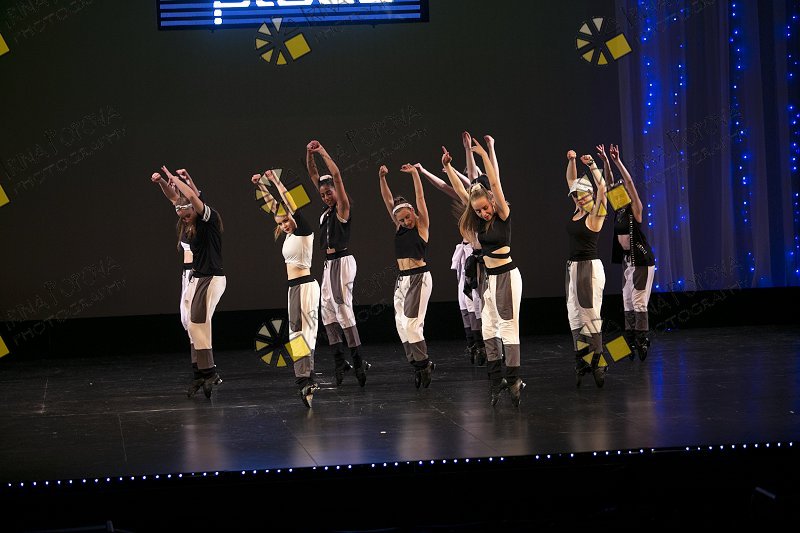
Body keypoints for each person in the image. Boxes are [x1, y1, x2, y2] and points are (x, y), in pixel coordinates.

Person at [443, 136, 525, 407]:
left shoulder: (502, 214)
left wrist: (486, 155)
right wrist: (448, 167)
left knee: (508, 326)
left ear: (492, 201)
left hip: (507, 276)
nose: (483, 213)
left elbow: (496, 182)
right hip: (489, 279)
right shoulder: (477, 218)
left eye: (485, 208)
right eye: (478, 211)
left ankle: (513, 378)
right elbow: (460, 191)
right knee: (489, 327)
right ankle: (495, 378)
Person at [252, 169, 321, 408]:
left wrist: (274, 181)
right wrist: (261, 187)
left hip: (304, 286)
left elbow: (289, 204)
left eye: (286, 221)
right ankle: (306, 378)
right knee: (297, 334)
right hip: (295, 288)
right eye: (280, 224)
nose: (284, 225)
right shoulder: (289, 234)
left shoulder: (303, 230)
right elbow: (276, 208)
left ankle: (305, 379)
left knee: (303, 333)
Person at [306, 140, 369, 387]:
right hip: (329, 264)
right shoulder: (326, 211)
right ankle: (339, 360)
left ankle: (359, 360)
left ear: (336, 190)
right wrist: (308, 153)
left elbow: (337, 176)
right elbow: (313, 174)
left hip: (342, 261)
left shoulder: (343, 207)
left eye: (328, 192)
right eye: (322, 194)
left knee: (343, 309)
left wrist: (322, 151)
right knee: (327, 311)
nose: (325, 196)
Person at [414, 160, 486, 366]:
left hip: (478, 254)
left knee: (476, 299)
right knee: (464, 299)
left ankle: (481, 342)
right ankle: (472, 342)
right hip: (466, 252)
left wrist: (452, 169)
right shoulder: (467, 199)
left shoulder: (481, 202)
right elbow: (445, 186)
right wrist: (424, 170)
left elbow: (471, 181)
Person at [166, 166, 226, 399]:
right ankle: (200, 372)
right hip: (197, 278)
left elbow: (192, 197)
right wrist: (164, 182)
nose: (184, 217)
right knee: (191, 325)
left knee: (199, 322)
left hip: (212, 277)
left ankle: (210, 371)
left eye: (187, 213)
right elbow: (179, 200)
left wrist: (175, 178)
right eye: (181, 215)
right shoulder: (193, 223)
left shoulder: (210, 219)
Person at [378, 163, 435, 388]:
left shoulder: (421, 226)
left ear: (412, 212)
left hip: (419, 277)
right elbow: (387, 201)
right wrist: (382, 178)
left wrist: (414, 174)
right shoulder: (400, 227)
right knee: (401, 325)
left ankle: (424, 364)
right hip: (402, 280)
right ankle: (417, 364)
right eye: (401, 220)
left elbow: (420, 198)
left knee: (412, 324)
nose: (405, 222)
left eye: (407, 217)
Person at [564, 149, 608, 388]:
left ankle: (598, 362)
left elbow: (602, 189)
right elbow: (571, 180)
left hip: (589, 269)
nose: (580, 199)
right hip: (572, 269)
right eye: (576, 196)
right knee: (574, 317)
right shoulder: (578, 209)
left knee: (590, 318)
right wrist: (572, 160)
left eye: (583, 195)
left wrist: (592, 165)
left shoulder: (595, 215)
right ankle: (582, 359)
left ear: (591, 194)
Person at [607, 144, 655, 361]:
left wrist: (617, 161)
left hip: (641, 259)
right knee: (627, 299)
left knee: (638, 301)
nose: (618, 193)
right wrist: (605, 163)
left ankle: (642, 339)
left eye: (622, 191)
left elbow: (629, 183)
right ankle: (630, 339)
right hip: (629, 260)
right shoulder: (618, 212)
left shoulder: (635, 209)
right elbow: (609, 184)